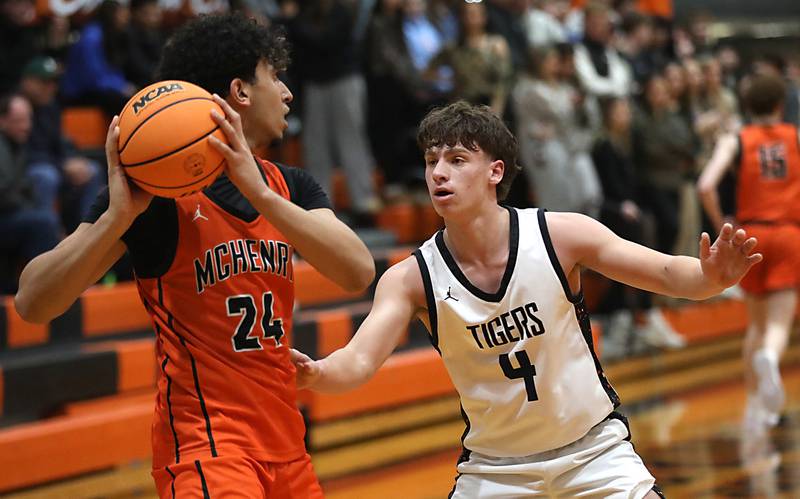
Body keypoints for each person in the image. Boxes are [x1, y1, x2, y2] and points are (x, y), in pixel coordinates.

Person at [291, 101, 761, 498]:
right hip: (496, 472)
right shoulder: (411, 277)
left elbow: (663, 272)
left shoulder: (559, 234)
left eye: (456, 159)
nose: (438, 172)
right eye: (432, 160)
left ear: (495, 171)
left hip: (594, 452)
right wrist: (317, 373)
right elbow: (357, 361)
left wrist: (709, 276)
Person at [15, 13, 375, 498]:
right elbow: (32, 302)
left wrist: (264, 197)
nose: (288, 93)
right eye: (275, 76)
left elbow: (356, 271)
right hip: (207, 449)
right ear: (240, 92)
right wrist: (115, 219)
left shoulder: (291, 187)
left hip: (287, 446)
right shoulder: (153, 199)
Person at [697, 73, 800, 436]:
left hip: (748, 235)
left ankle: (757, 407)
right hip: (788, 233)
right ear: (779, 105)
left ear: (747, 105)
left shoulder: (736, 139)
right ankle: (771, 359)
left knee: (754, 325)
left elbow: (706, 184)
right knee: (777, 325)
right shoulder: (795, 136)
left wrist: (721, 221)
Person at [19, 56, 102, 231]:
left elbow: (60, 142)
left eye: (54, 82)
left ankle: (85, 233)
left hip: (52, 163)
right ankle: (48, 236)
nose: (51, 87)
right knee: (46, 176)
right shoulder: (15, 107)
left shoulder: (51, 106)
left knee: (92, 170)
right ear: (26, 82)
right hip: (25, 168)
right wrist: (62, 165)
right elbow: (20, 152)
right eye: (44, 82)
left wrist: (73, 160)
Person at [0, 93, 59, 293]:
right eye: (19, 121)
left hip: (10, 213)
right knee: (43, 222)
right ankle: (45, 290)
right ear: (2, 120)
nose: (25, 126)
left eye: (28, 120)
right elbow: (4, 194)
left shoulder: (17, 144)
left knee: (45, 218)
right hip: (4, 216)